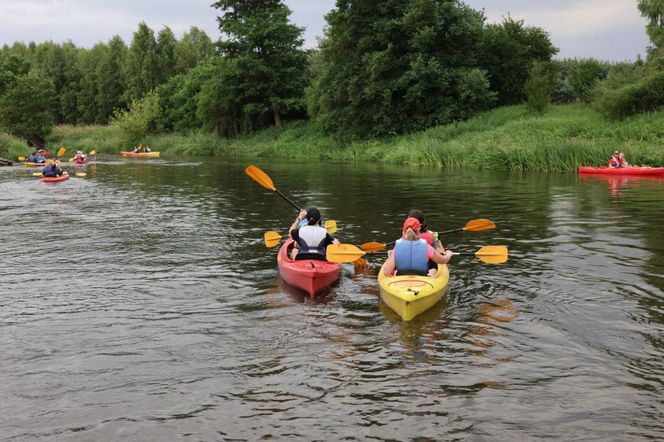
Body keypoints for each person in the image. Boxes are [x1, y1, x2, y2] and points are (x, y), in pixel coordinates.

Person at [382, 217, 453, 277]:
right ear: (419, 231)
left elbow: (386, 272)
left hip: (401, 281)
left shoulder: (397, 248)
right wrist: (448, 254)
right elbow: (442, 261)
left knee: (394, 271)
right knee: (433, 270)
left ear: (404, 231)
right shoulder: (426, 247)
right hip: (422, 281)